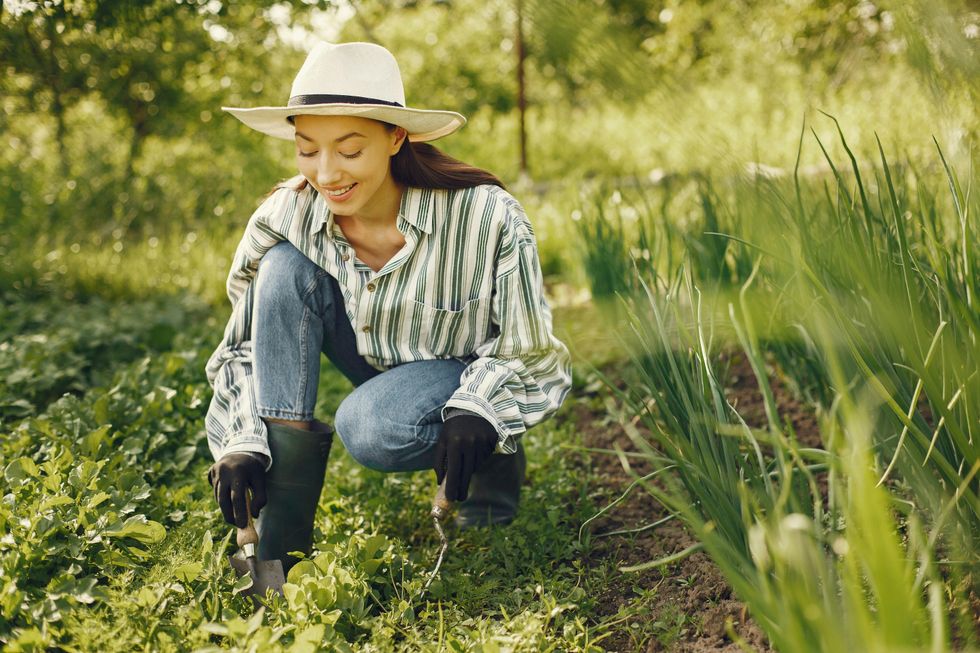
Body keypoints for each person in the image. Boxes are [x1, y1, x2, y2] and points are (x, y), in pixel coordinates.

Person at [204, 41, 572, 572]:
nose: (326, 173)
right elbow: (244, 347)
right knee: (283, 268)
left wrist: (481, 410)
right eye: (307, 149)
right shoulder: (284, 216)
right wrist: (241, 441)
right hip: (370, 355)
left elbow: (532, 352)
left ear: (396, 137)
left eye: (349, 151)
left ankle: (487, 457)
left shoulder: (485, 217)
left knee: (370, 427)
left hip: (460, 372)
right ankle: (278, 553)